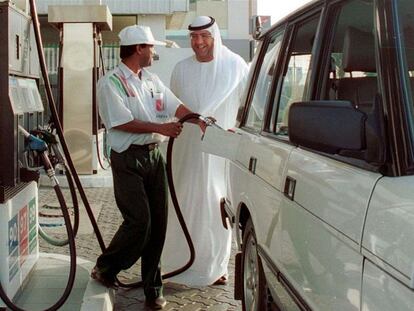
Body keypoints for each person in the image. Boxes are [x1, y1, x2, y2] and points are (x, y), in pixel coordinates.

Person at [91, 25, 205, 310]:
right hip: (127, 157)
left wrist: (199, 119)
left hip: (155, 157)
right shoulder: (111, 83)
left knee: (158, 226)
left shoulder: (152, 80)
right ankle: (106, 266)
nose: (155, 52)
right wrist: (162, 128)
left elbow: (175, 106)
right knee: (140, 221)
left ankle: (153, 290)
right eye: (152, 47)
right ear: (139, 48)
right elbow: (120, 122)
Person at [162, 16, 249, 286]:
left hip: (219, 150)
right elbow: (173, 108)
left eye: (204, 37)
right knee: (184, 202)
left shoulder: (235, 66)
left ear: (214, 37)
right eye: (193, 37)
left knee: (217, 204)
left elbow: (247, 105)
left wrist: (238, 129)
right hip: (186, 151)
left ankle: (215, 267)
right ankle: (177, 263)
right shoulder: (181, 68)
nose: (198, 43)